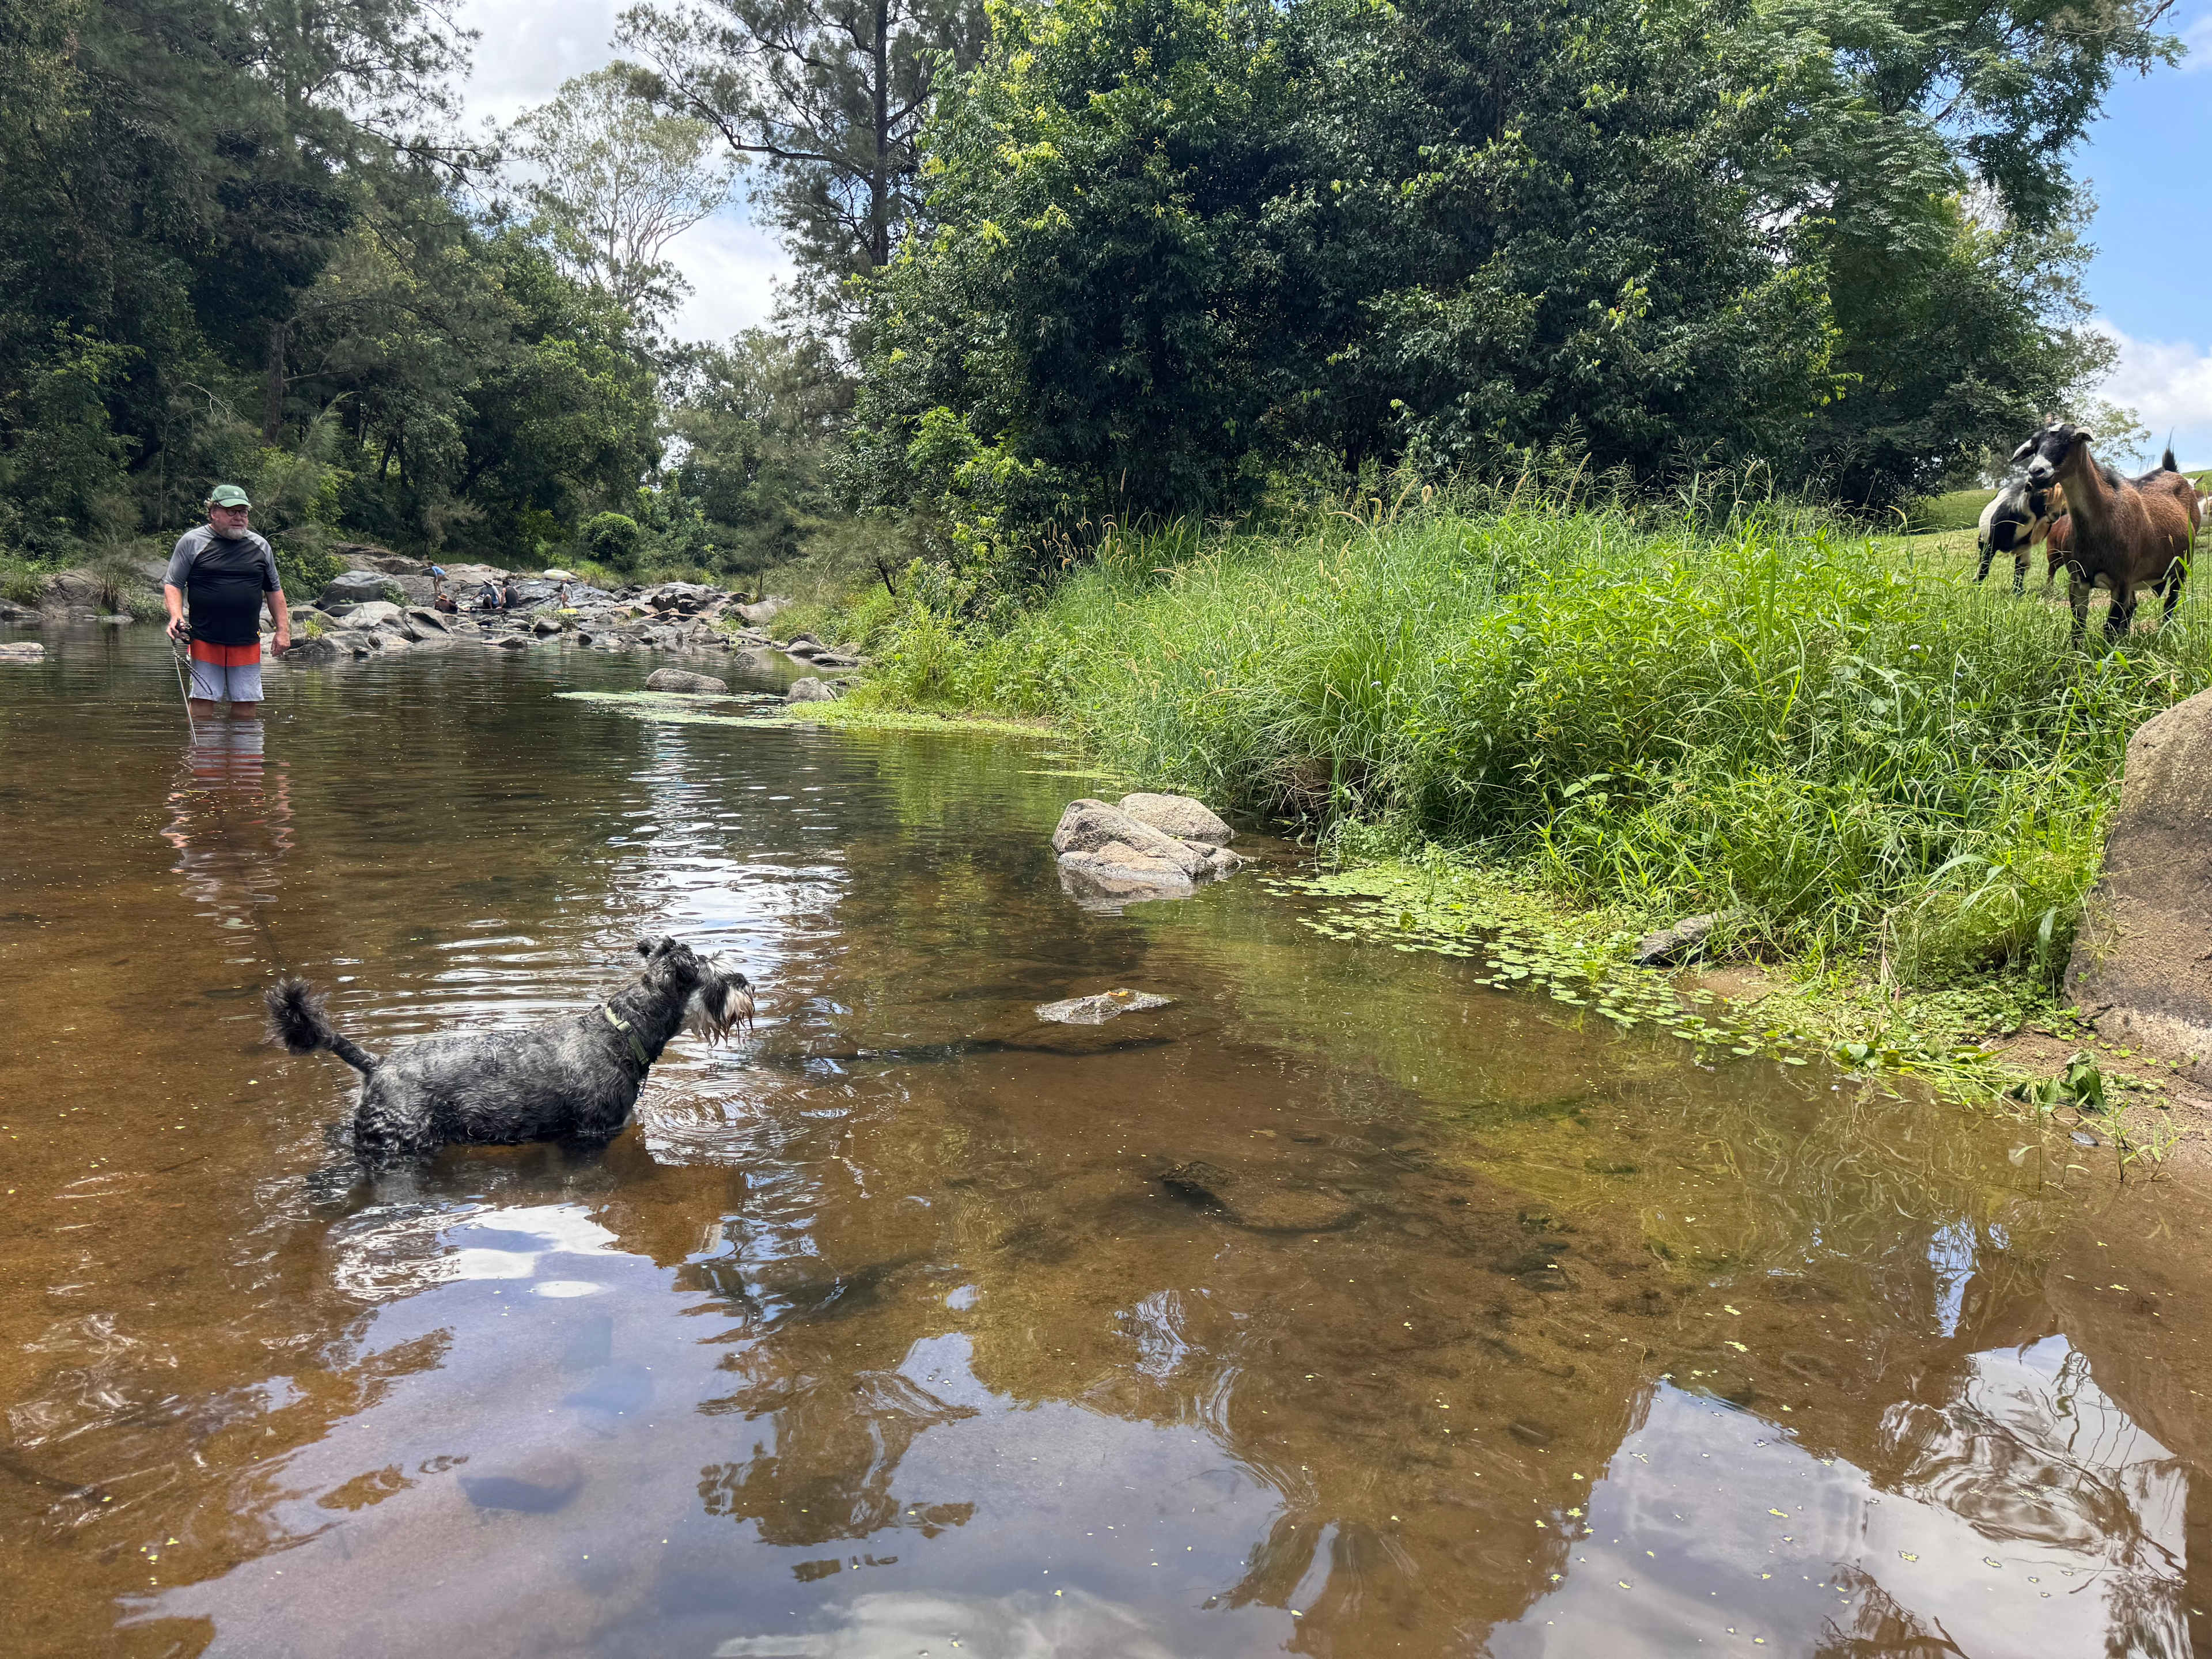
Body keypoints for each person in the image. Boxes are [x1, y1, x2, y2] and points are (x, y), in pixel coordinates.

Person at [164, 484, 289, 720]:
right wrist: (176, 616)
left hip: (246, 638)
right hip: (204, 637)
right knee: (203, 700)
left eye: (243, 512)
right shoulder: (192, 542)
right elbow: (173, 584)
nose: (239, 517)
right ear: (214, 512)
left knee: (246, 703)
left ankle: (243, 745)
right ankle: (205, 745)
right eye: (232, 512)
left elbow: (274, 591)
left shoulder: (261, 546)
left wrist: (283, 631)